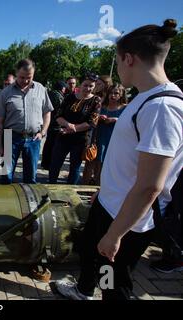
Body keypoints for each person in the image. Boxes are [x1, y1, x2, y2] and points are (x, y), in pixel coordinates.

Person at [56, 19, 183, 300]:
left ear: (128, 58)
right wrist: (106, 192)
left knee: (113, 283)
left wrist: (115, 234)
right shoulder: (145, 98)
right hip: (110, 204)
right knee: (90, 251)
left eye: (117, 60)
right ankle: (83, 289)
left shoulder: (162, 108)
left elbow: (151, 185)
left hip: (127, 219)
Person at [0, 59, 53, 184]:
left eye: (29, 77)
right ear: (16, 73)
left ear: (33, 74)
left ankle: (29, 203)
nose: (25, 81)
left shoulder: (41, 89)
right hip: (11, 138)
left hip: (34, 139)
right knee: (6, 177)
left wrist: (42, 132)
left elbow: (47, 112)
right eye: (22, 77)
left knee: (30, 178)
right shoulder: (6, 92)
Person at [48, 73, 102, 185]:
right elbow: (58, 115)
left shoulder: (96, 100)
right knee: (55, 165)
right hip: (63, 136)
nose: (88, 88)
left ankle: (70, 192)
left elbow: (92, 122)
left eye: (91, 86)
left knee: (75, 168)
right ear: (80, 84)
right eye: (85, 85)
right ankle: (50, 187)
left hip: (80, 140)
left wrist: (74, 129)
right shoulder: (70, 97)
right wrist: (68, 125)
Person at [93, 84, 128, 185]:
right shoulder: (103, 106)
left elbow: (130, 123)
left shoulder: (125, 108)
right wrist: (99, 118)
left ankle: (107, 184)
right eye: (111, 93)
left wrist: (116, 120)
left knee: (111, 164)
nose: (112, 95)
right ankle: (97, 183)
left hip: (116, 139)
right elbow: (92, 118)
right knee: (98, 162)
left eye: (116, 93)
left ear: (121, 95)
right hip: (101, 137)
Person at [82, 74, 113, 185]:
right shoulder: (93, 97)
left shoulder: (110, 97)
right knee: (90, 158)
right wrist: (97, 117)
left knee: (100, 160)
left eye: (99, 84)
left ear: (106, 85)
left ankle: (97, 183)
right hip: (93, 131)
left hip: (105, 131)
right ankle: (85, 183)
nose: (96, 86)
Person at [41, 81, 68, 171]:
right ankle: (48, 164)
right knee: (52, 145)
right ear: (62, 88)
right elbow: (60, 109)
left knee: (48, 143)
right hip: (56, 124)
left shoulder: (50, 93)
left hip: (50, 122)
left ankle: (45, 163)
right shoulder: (58, 96)